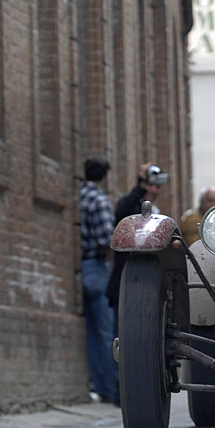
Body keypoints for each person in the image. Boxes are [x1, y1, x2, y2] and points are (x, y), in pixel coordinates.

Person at [79, 155, 119, 405]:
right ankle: (113, 390)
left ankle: (99, 385)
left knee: (92, 334)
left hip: (81, 266)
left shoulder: (80, 196)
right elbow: (107, 237)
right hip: (97, 266)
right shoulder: (99, 199)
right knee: (107, 332)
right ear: (105, 175)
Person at [106, 162, 167, 322]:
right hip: (126, 279)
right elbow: (121, 212)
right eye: (149, 185)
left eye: (157, 186)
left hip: (147, 282)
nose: (154, 190)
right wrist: (140, 183)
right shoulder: (131, 206)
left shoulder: (157, 212)